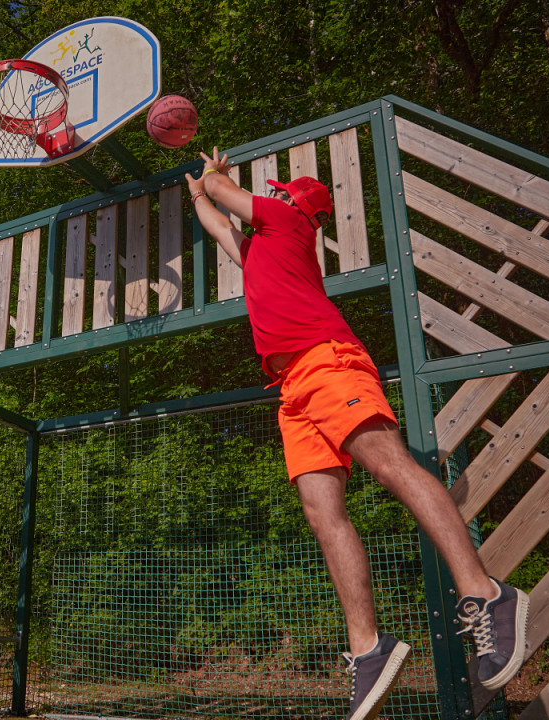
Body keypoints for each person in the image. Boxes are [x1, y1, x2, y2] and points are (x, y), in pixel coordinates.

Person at [186, 147, 528, 720]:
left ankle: (488, 594)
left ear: (292, 204)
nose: (266, 197)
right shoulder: (260, 249)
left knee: (391, 466)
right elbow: (218, 221)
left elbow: (227, 199)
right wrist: (197, 190)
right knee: (323, 515)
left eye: (274, 192)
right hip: (291, 387)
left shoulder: (289, 220)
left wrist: (213, 176)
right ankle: (369, 648)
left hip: (328, 362)